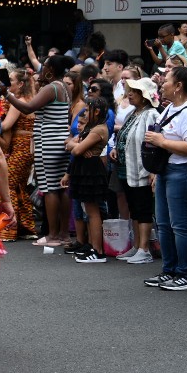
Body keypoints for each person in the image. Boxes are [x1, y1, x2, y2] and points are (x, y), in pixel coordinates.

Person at [3, 54, 76, 246]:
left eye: (44, 67)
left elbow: (27, 109)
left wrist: (7, 95)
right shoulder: (65, 87)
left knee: (49, 189)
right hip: (61, 141)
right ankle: (63, 234)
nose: (40, 70)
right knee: (61, 189)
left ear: (50, 71)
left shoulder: (50, 88)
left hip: (48, 142)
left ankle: (52, 235)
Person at [143, 66, 187, 290]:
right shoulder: (170, 107)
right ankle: (169, 269)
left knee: (180, 226)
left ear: (179, 86)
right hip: (165, 172)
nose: (162, 84)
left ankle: (186, 273)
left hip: (181, 172)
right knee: (163, 224)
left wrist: (161, 141)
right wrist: (154, 172)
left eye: (167, 80)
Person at [112, 78, 159, 264]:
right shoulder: (133, 112)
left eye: (135, 91)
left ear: (144, 96)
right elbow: (125, 135)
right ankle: (136, 246)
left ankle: (144, 249)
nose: (129, 94)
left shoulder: (151, 114)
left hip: (141, 168)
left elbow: (153, 144)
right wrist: (117, 147)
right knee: (133, 208)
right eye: (129, 91)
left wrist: (152, 170)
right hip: (126, 168)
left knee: (143, 208)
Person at [62, 96, 110, 263]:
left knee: (92, 211)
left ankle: (97, 250)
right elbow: (69, 143)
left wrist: (78, 147)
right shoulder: (92, 127)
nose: (85, 113)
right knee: (87, 210)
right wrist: (77, 146)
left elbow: (75, 149)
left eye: (88, 110)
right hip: (84, 168)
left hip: (92, 170)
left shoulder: (99, 130)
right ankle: (92, 246)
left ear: (96, 112)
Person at [0, 68, 37, 240]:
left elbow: (6, 126)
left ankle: (8, 229)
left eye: (11, 81)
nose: (8, 84)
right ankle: (26, 227)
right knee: (20, 186)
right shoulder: (31, 99)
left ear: (21, 84)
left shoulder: (18, 101)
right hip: (27, 149)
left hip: (21, 148)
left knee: (6, 184)